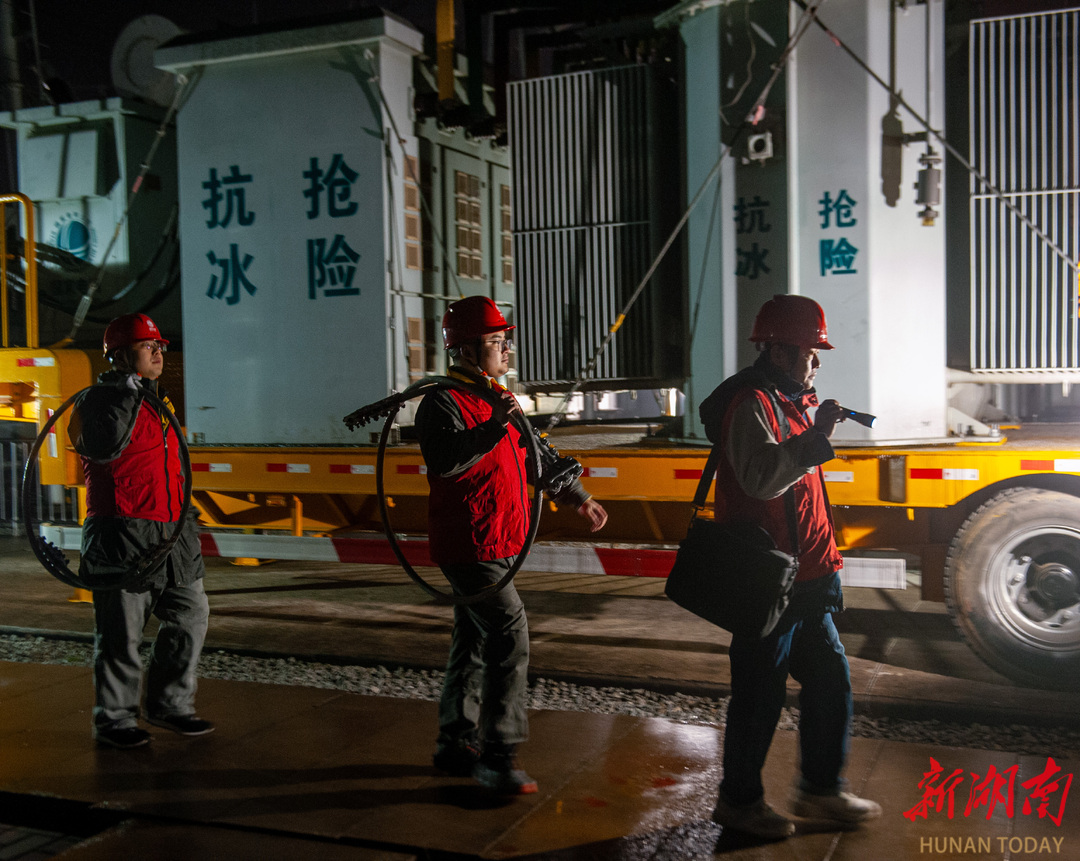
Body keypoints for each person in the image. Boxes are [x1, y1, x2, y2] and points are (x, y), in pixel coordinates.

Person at [698, 295, 880, 840]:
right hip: (768, 578)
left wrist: (814, 431)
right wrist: (816, 438)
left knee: (830, 680)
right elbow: (761, 480)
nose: (816, 361)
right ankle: (739, 803)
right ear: (777, 350)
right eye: (809, 350)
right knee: (760, 693)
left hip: (807, 576)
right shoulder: (751, 402)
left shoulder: (791, 399)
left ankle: (821, 789)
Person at [415, 295, 608, 795]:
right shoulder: (442, 402)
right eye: (497, 341)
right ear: (467, 350)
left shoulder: (495, 398)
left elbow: (533, 455)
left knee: (474, 639)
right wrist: (495, 423)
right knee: (509, 631)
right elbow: (447, 462)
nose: (507, 350)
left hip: (496, 538)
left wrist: (578, 496)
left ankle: (455, 741)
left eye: (505, 341)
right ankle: (498, 755)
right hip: (469, 543)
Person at [71, 313, 213, 750]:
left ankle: (170, 704)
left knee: (190, 616)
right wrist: (123, 392)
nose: (158, 353)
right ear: (118, 355)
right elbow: (102, 446)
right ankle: (114, 720)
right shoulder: (97, 402)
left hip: (173, 534)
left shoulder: (157, 401)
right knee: (122, 635)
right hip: (122, 533)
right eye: (147, 346)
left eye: (160, 346)